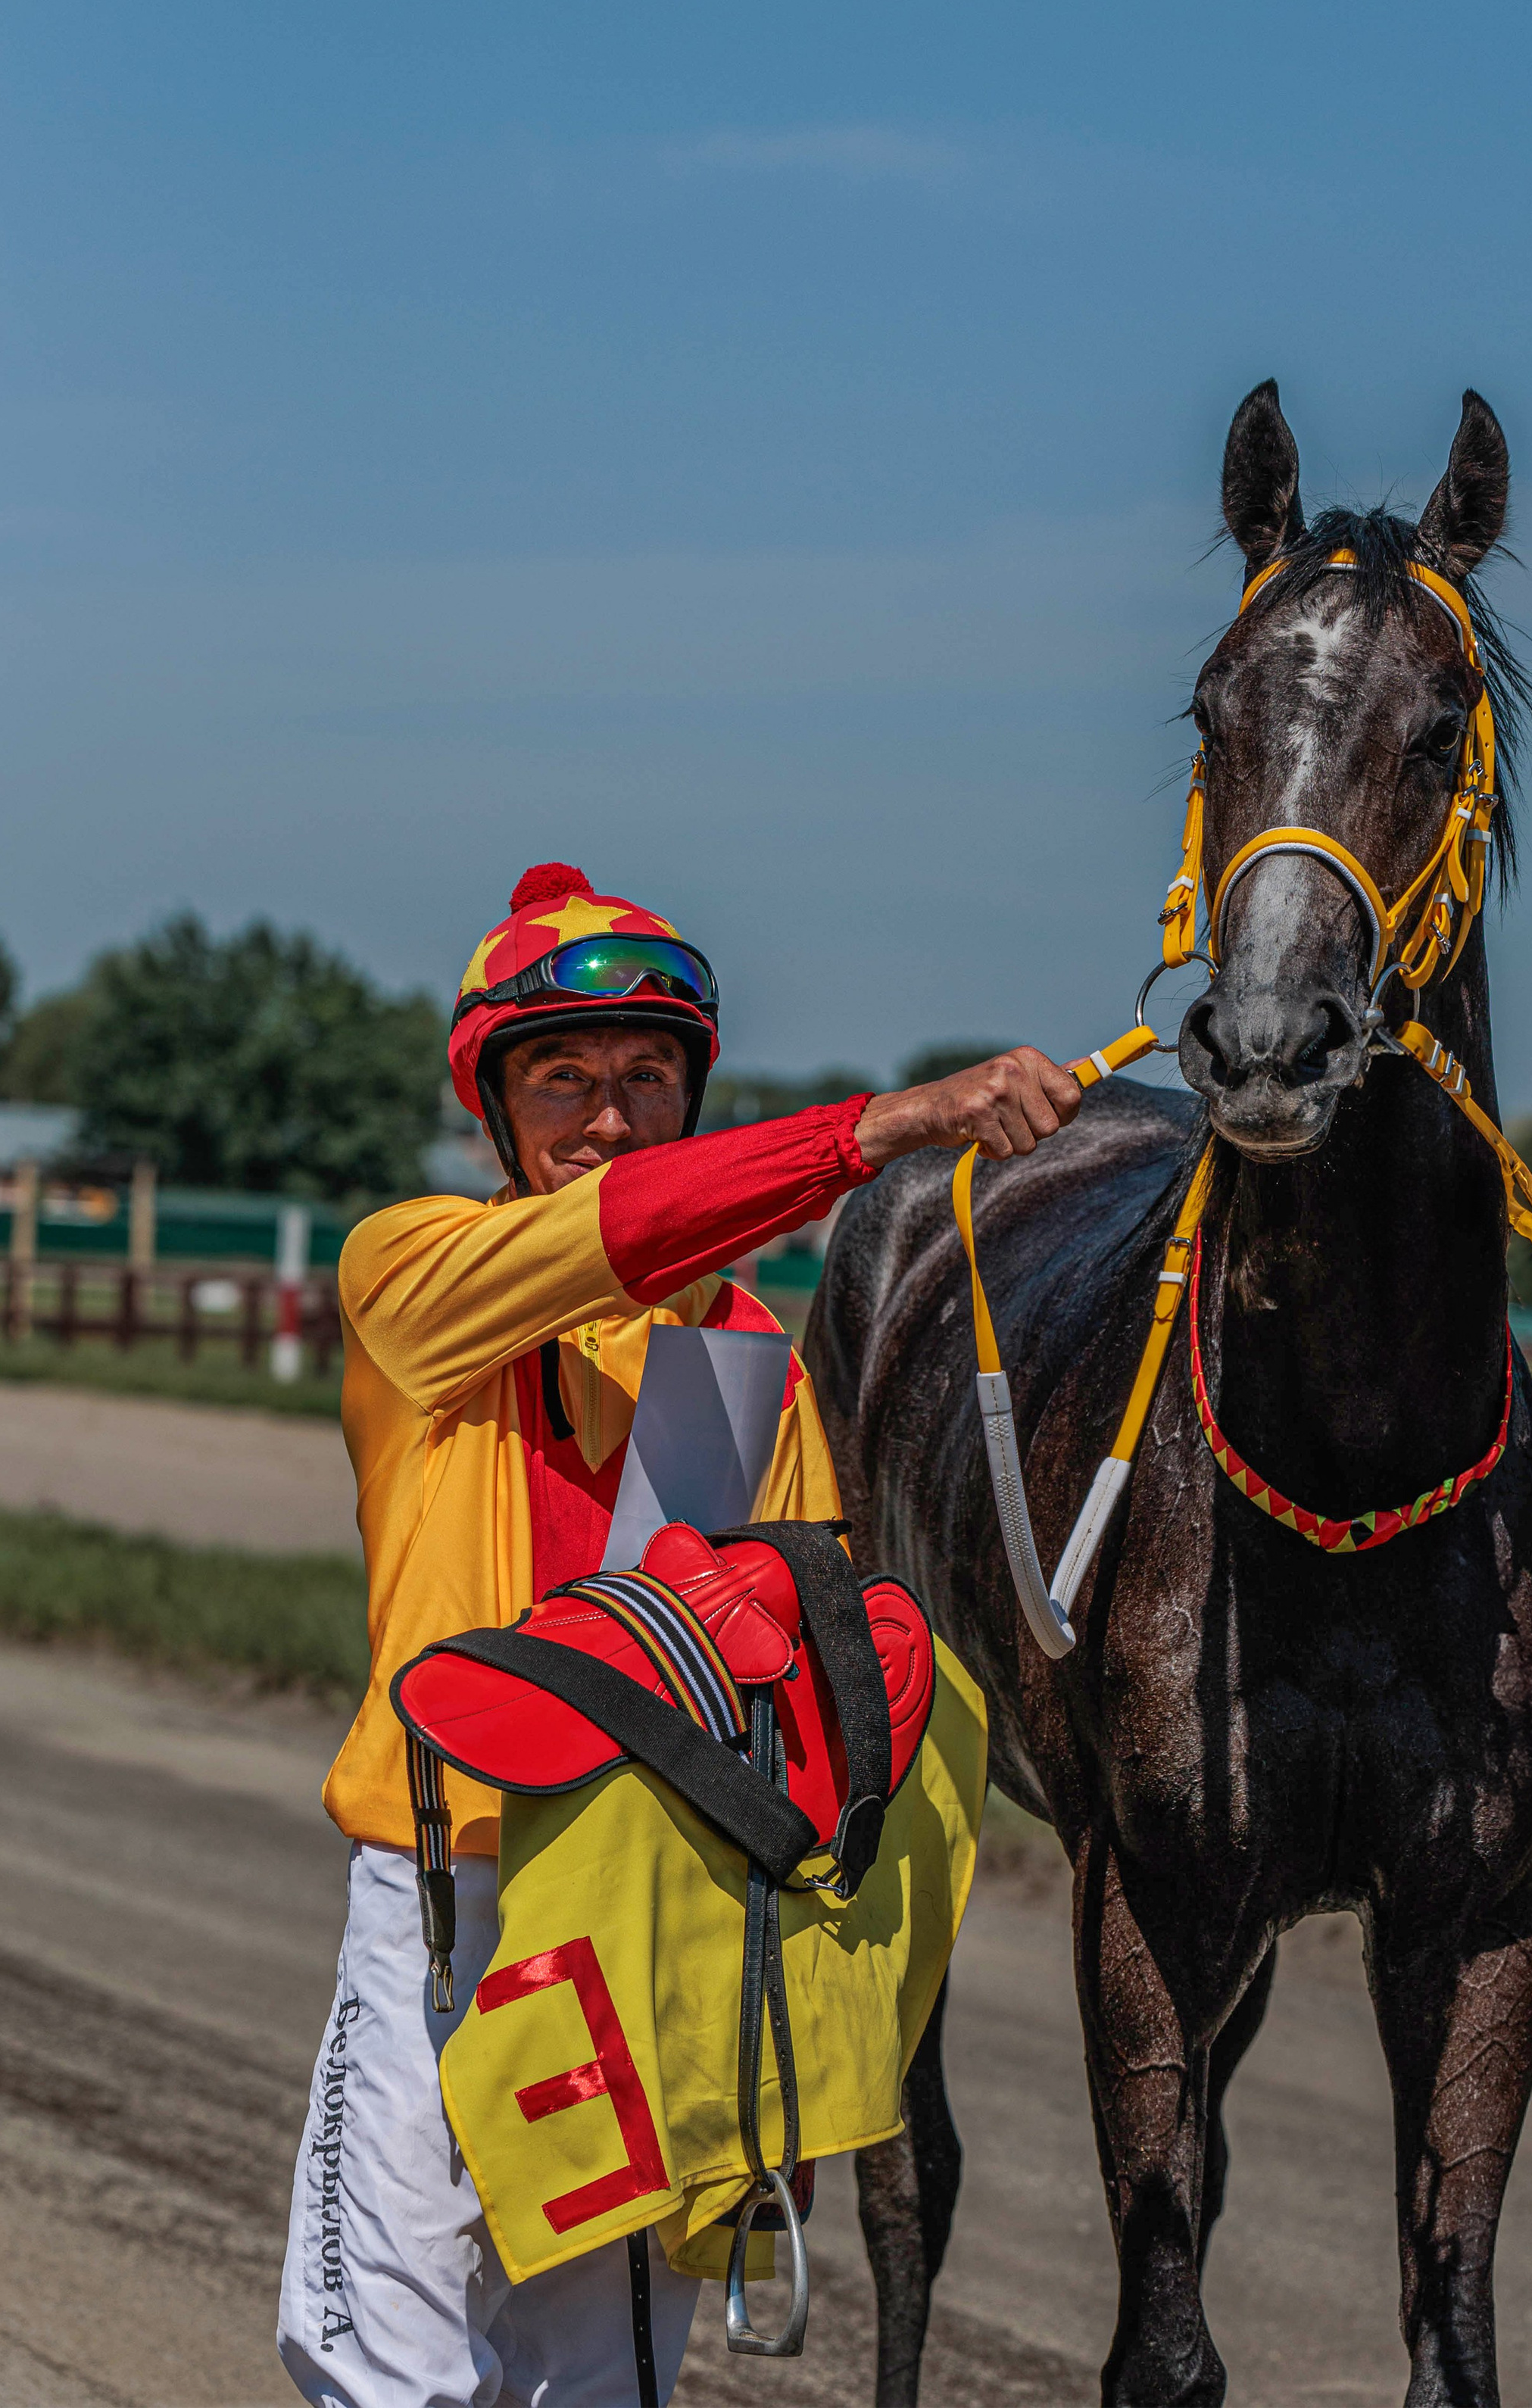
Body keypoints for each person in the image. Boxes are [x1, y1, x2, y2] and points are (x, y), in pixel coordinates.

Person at [278, 861, 1083, 2408]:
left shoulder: (737, 1349)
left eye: (649, 1076)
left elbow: (794, 1650)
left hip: (645, 1907)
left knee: (601, 2355)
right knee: (383, 2329)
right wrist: (882, 1127)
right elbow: (606, 1235)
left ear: (693, 1097)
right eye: (561, 1076)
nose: (607, 1112)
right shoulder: (412, 1271)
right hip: (447, 1890)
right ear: (491, 1112)